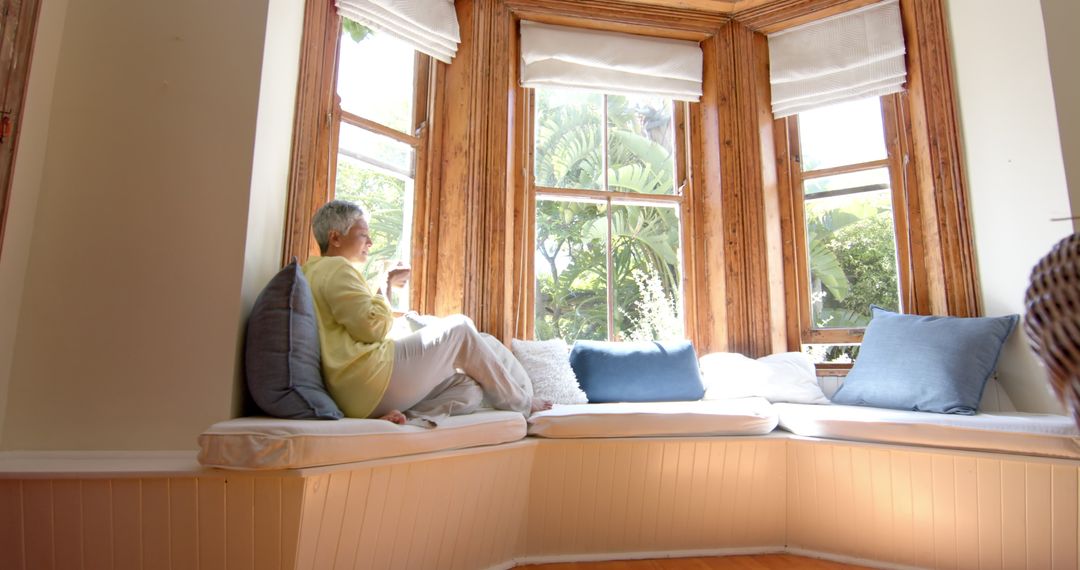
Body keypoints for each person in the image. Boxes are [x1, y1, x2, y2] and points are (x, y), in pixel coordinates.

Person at [303, 200, 551, 424]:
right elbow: (372, 329)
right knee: (460, 327)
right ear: (335, 238)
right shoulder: (337, 269)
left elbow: (361, 324)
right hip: (368, 378)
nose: (370, 242)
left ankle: (404, 416)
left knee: (468, 389)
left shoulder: (312, 271)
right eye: (363, 235)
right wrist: (382, 286)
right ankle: (522, 402)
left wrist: (385, 288)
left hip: (359, 398)